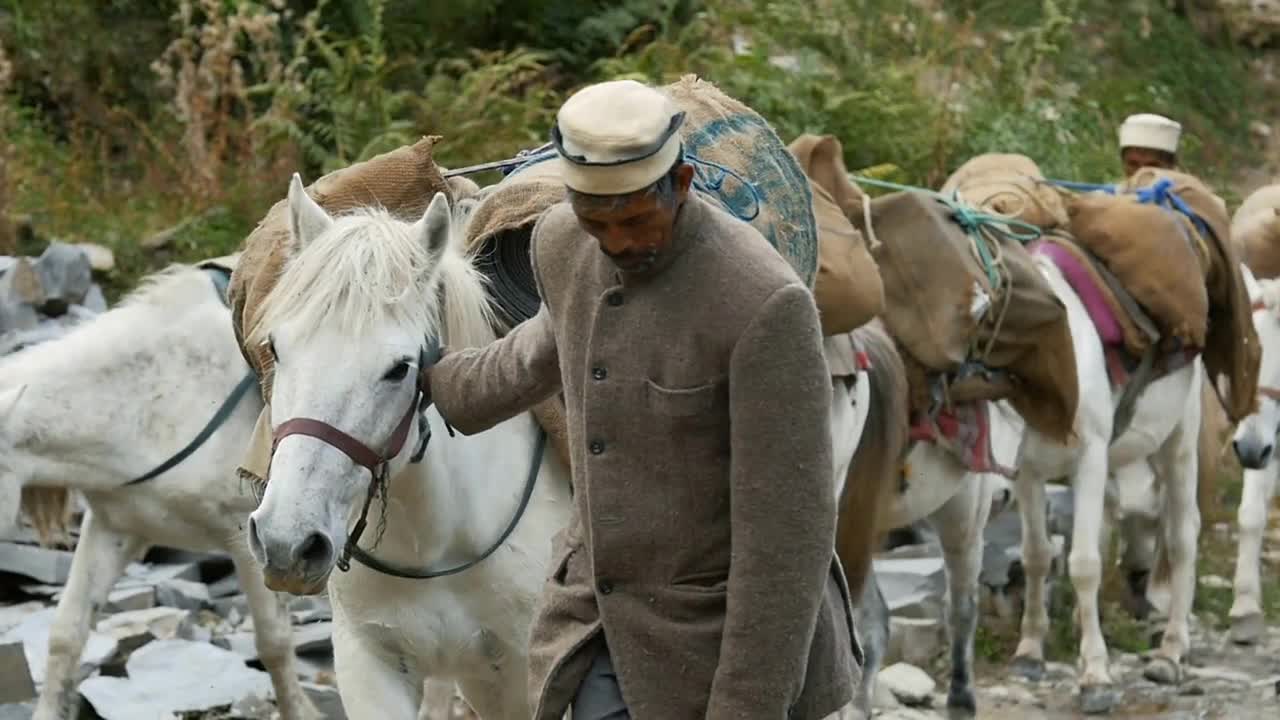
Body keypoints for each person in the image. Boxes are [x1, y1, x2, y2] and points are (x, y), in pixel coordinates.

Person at [425, 79, 861, 720]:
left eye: (635, 220)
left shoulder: (762, 304)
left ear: (680, 183)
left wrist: (746, 707)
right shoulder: (562, 242)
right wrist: (429, 382)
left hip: (715, 647)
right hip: (595, 622)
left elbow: (787, 538)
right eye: (595, 220)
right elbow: (541, 346)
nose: (617, 242)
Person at [1118, 112, 1181, 178]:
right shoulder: (1117, 188)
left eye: (1151, 166)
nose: (1140, 173)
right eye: (1133, 164)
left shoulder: (1188, 186)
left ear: (1170, 167)